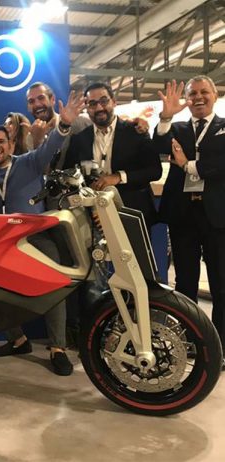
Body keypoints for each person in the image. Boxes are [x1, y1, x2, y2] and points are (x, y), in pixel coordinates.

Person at [0, 91, 85, 376]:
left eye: (1, 142)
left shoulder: (29, 161)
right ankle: (18, 340)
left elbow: (52, 145)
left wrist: (65, 123)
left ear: (10, 143)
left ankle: (57, 348)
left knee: (54, 285)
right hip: (3, 241)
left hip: (37, 237)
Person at [153, 77, 225, 362]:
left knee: (221, 283)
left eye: (204, 92)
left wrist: (187, 165)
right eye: (192, 93)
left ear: (215, 95)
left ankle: (220, 347)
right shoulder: (177, 128)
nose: (198, 97)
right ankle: (189, 342)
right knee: (184, 283)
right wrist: (165, 117)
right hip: (183, 217)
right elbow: (158, 146)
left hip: (217, 218)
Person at [63, 82, 162, 227]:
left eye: (104, 101)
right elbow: (68, 172)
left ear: (114, 102)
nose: (99, 108)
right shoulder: (79, 139)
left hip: (132, 213)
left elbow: (154, 171)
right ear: (87, 108)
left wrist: (118, 177)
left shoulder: (136, 131)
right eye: (92, 104)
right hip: (93, 217)